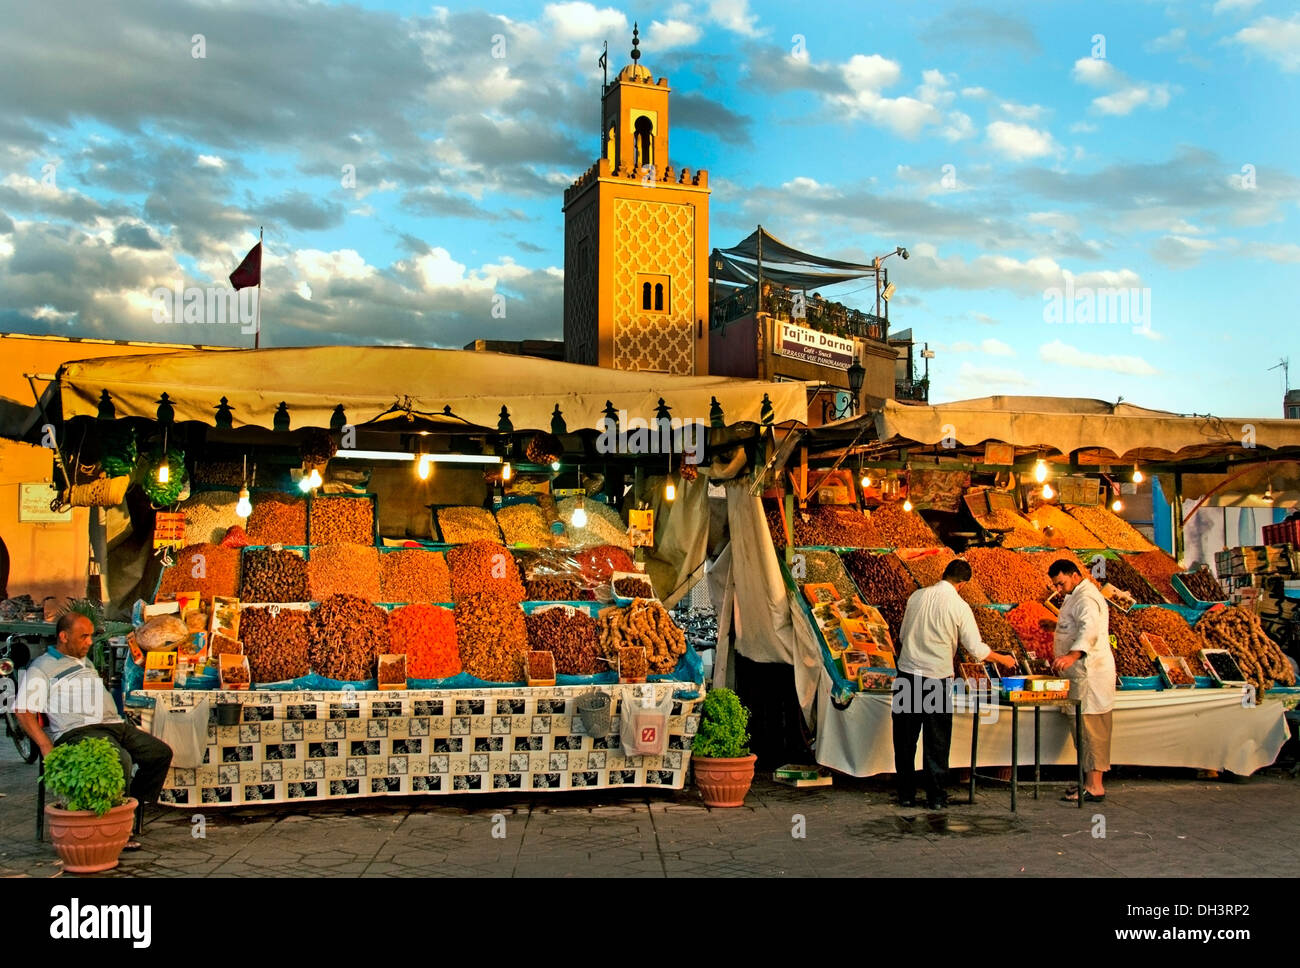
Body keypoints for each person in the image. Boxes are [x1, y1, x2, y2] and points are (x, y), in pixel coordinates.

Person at [16, 613, 172, 844]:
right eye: (84, 636)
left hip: (113, 725)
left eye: (91, 636)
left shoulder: (84, 661)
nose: (90, 642)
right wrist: (45, 744)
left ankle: (131, 808)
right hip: (79, 731)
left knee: (159, 753)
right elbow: (22, 710)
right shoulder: (42, 667)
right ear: (64, 636)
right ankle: (117, 827)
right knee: (121, 760)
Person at [892, 559, 1018, 809]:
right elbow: (976, 648)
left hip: (906, 675)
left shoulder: (916, 596)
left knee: (905, 738)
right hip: (936, 678)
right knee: (936, 740)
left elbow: (903, 635)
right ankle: (936, 797)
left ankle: (906, 794)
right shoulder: (959, 606)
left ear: (944, 574)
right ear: (962, 584)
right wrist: (1002, 658)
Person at [1042, 559, 1113, 802]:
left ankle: (1095, 787)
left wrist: (1073, 655)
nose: (1058, 589)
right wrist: (1055, 627)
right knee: (1082, 731)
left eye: (1060, 583)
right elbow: (1076, 625)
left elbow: (1089, 630)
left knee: (1091, 730)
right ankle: (1088, 782)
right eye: (1055, 585)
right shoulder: (1075, 595)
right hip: (1079, 676)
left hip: (1089, 675)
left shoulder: (1086, 598)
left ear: (1074, 575)